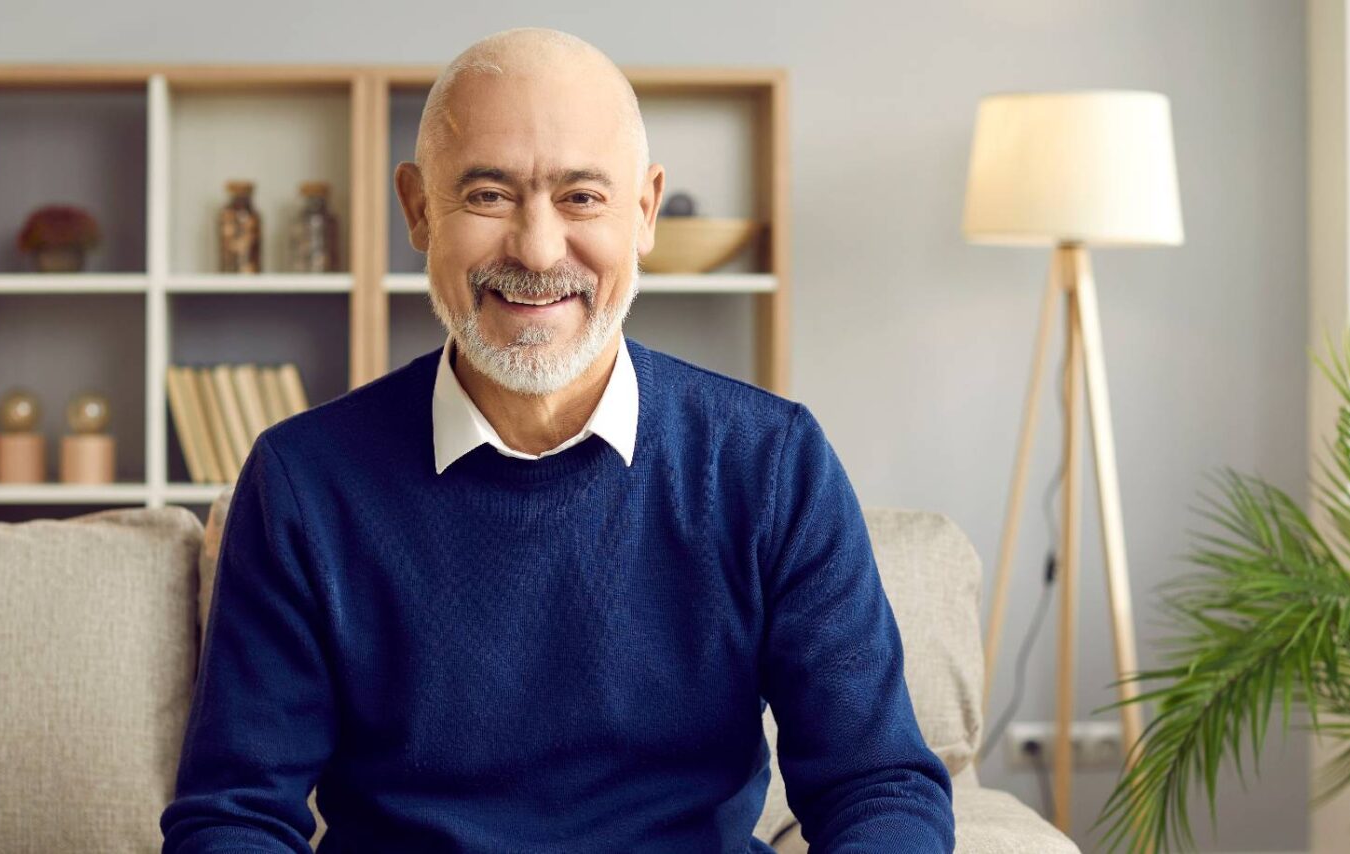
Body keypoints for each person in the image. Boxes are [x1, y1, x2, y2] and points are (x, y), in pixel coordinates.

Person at [159, 26, 953, 853]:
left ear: (644, 211)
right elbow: (236, 816)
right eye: (489, 195)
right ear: (418, 209)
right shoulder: (303, 482)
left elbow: (878, 785)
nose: (538, 250)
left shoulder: (771, 464)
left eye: (581, 197)